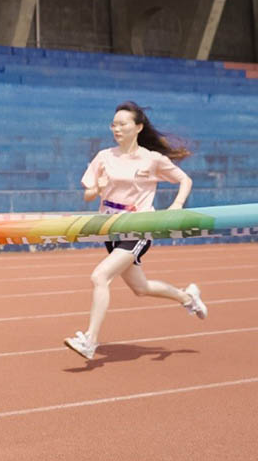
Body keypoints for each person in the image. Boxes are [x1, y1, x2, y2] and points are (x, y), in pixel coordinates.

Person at [64, 101, 207, 360]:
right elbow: (87, 195)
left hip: (138, 228)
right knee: (141, 288)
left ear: (138, 127)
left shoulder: (152, 159)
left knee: (100, 276)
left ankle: (89, 340)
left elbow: (185, 180)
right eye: (113, 124)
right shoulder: (104, 156)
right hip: (110, 229)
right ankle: (188, 297)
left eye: (122, 124)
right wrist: (98, 187)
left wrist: (176, 205)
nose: (116, 129)